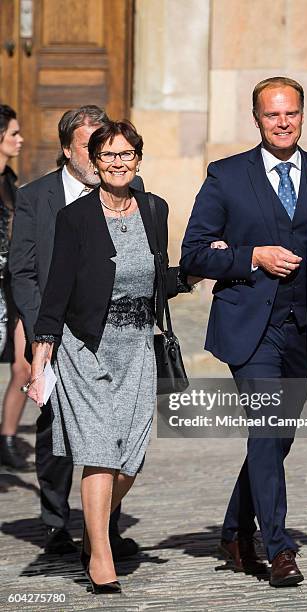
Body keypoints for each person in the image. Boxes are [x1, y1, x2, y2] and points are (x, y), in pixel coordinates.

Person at [181, 76, 307, 587]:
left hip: (304, 329)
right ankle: (280, 549)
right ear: (257, 119)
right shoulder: (226, 176)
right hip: (250, 328)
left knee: (276, 439)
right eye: (272, 115)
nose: (282, 122)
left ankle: (233, 533)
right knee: (267, 430)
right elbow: (194, 252)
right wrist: (253, 257)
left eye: (290, 114)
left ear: (303, 115)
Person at [28, 119, 194, 594]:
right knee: (100, 454)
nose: (118, 163)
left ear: (137, 160)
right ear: (95, 163)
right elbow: (57, 286)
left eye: (126, 155)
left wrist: (201, 272)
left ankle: (93, 529)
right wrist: (43, 351)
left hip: (138, 346)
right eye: (108, 155)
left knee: (130, 459)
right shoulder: (75, 217)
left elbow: (159, 279)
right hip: (88, 348)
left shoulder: (155, 209)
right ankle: (99, 553)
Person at [9, 106, 143, 556]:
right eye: (91, 147)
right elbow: (24, 272)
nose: (101, 156)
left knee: (116, 434)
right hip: (56, 333)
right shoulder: (37, 197)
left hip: (113, 335)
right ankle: (54, 522)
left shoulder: (133, 192)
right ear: (68, 150)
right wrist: (36, 330)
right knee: (53, 430)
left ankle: (104, 528)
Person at [0, 104, 31, 470]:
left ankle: (7, 438)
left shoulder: (10, 180)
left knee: (24, 364)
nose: (21, 139)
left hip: (13, 283)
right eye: (13, 134)